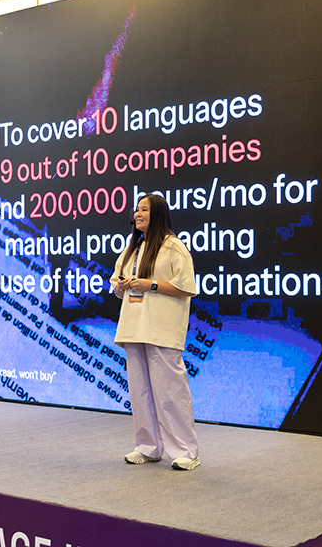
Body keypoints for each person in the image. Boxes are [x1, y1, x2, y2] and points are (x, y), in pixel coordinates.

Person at [111, 193, 200, 470]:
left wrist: (149, 285)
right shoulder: (133, 248)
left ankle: (186, 451)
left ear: (158, 214)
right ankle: (148, 447)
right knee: (140, 393)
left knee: (170, 391)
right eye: (137, 209)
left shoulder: (173, 247)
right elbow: (116, 285)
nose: (137, 214)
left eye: (144, 210)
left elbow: (186, 287)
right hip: (133, 327)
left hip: (161, 329)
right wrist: (122, 286)